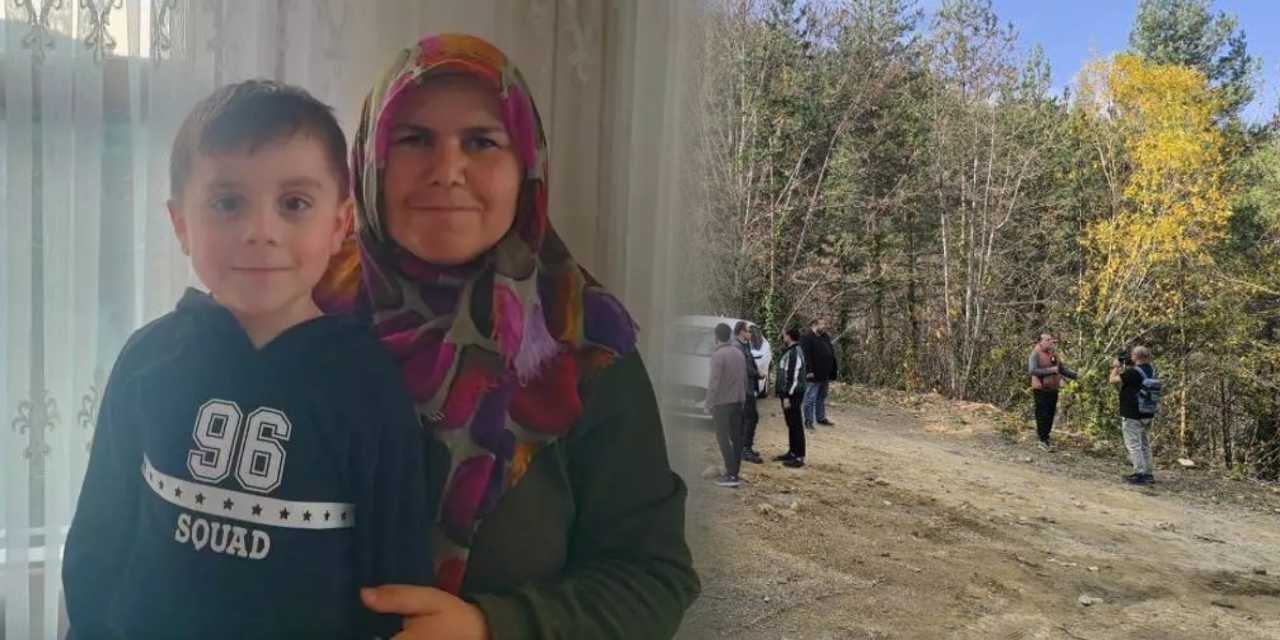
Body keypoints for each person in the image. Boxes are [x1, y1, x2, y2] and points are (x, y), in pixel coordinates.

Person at [313, 34, 699, 639]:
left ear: (526, 168)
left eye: (481, 142)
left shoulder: (585, 343)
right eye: (413, 139)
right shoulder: (301, 309)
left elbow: (653, 578)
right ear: (369, 162)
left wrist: (491, 628)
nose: (447, 172)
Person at [62, 81, 434, 639]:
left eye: (294, 204)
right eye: (227, 203)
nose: (261, 232)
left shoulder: (369, 385)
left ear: (340, 224)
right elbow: (99, 536)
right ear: (181, 225)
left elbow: (395, 576)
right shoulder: (147, 359)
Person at [1110, 345, 1160, 485]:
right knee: (1144, 444)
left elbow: (1112, 380)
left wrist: (1116, 366)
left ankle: (1139, 473)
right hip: (1147, 412)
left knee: (1133, 445)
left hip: (1132, 413)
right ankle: (1148, 473)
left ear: (1135, 356)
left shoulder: (1133, 373)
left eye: (1132, 355)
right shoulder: (1150, 370)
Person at [706, 323, 748, 487]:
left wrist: (709, 403)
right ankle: (734, 472)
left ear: (716, 336)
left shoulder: (718, 355)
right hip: (738, 401)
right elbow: (743, 379)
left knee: (722, 438)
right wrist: (743, 399)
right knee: (736, 438)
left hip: (722, 403)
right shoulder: (739, 353)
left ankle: (730, 474)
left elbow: (714, 382)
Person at [1028, 332, 1078, 451]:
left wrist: (1076, 376)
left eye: (1050, 340)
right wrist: (1050, 370)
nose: (1050, 342)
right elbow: (1032, 370)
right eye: (1047, 340)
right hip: (1040, 389)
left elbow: (1061, 370)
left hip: (1053, 389)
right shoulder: (1035, 354)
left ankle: (1046, 437)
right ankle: (1042, 439)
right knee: (1042, 414)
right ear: (1040, 342)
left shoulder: (1054, 354)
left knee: (1050, 414)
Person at [774, 327, 807, 468]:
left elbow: (793, 377)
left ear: (789, 336)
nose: (783, 338)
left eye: (784, 335)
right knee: (791, 424)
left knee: (796, 424)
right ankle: (792, 452)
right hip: (788, 394)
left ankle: (799, 456)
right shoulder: (789, 351)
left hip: (793, 394)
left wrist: (787, 396)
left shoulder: (794, 353)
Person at [735, 321, 764, 464]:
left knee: (747, 419)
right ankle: (745, 450)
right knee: (751, 418)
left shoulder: (745, 345)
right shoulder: (737, 347)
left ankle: (744, 448)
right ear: (741, 331)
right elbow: (745, 367)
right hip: (744, 389)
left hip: (748, 387)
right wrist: (759, 374)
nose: (750, 333)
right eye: (748, 331)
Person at [801, 317, 838, 428]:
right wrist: (809, 371)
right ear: (814, 324)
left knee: (821, 396)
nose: (825, 326)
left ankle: (821, 418)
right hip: (813, 374)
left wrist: (832, 369)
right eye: (822, 324)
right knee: (810, 398)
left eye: (825, 324)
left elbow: (830, 353)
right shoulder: (806, 338)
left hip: (825, 373)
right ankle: (808, 420)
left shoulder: (825, 337)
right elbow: (805, 356)